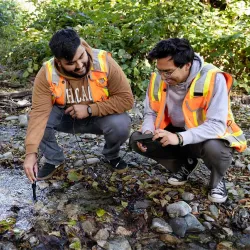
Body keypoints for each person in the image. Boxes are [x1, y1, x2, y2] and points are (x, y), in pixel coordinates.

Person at [130, 38, 246, 203]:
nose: (163, 77)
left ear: (187, 65)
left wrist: (179, 138)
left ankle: (217, 181)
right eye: (160, 71)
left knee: (215, 149)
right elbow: (151, 112)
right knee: (137, 140)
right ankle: (185, 164)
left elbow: (217, 125)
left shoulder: (213, 78)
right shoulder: (158, 78)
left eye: (168, 72)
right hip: (176, 133)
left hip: (206, 137)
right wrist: (148, 133)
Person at [23, 28, 134, 183]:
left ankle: (111, 155)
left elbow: (126, 99)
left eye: (81, 57)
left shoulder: (104, 62)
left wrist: (89, 109)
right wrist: (31, 153)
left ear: (82, 45)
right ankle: (54, 159)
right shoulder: (47, 72)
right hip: (66, 117)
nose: (80, 65)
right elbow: (39, 113)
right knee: (35, 120)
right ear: (58, 61)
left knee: (121, 124)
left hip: (100, 116)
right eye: (70, 63)